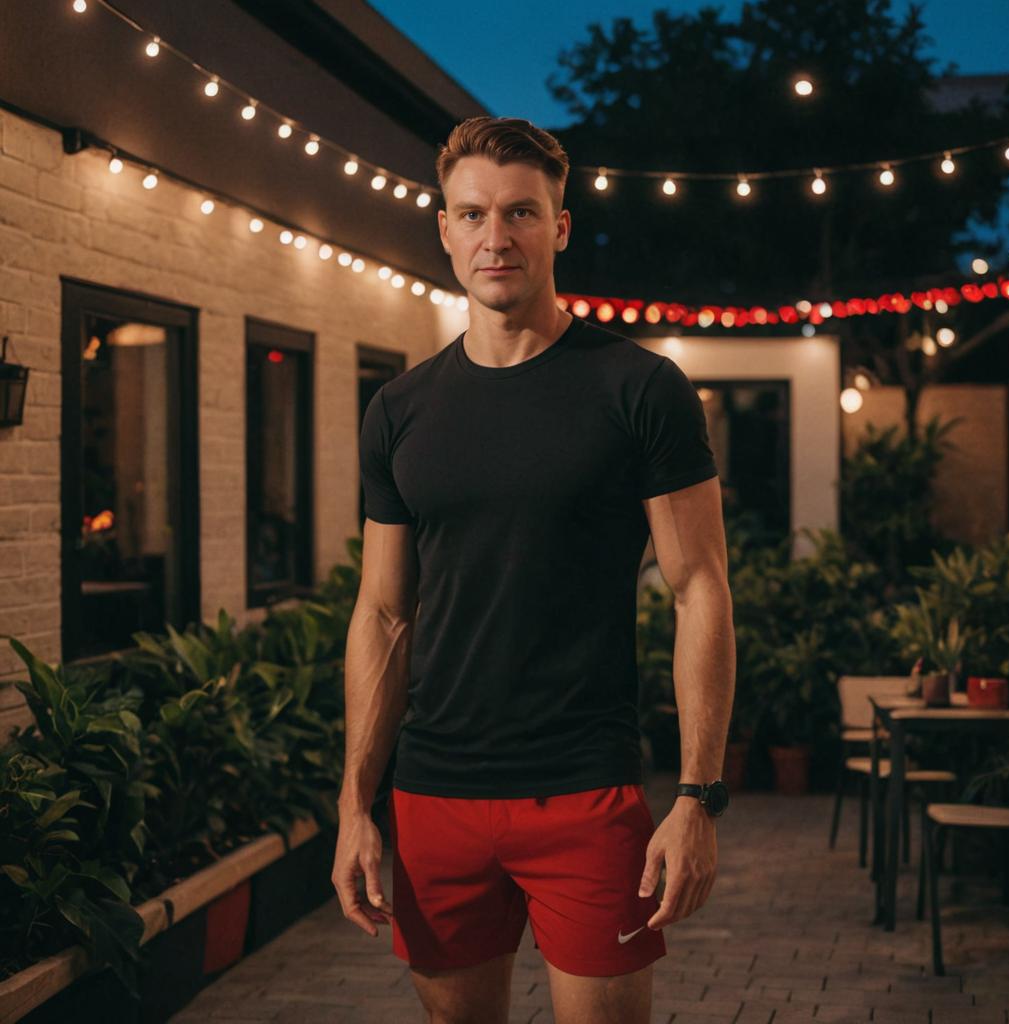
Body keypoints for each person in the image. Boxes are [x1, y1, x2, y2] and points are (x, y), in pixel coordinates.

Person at [334, 115, 736, 1024]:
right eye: (471, 214)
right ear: (443, 229)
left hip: (584, 793)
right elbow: (384, 614)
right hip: (434, 793)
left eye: (520, 213)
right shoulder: (399, 409)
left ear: (559, 226)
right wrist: (356, 803)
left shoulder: (637, 388)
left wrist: (698, 796)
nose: (494, 236)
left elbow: (699, 587)